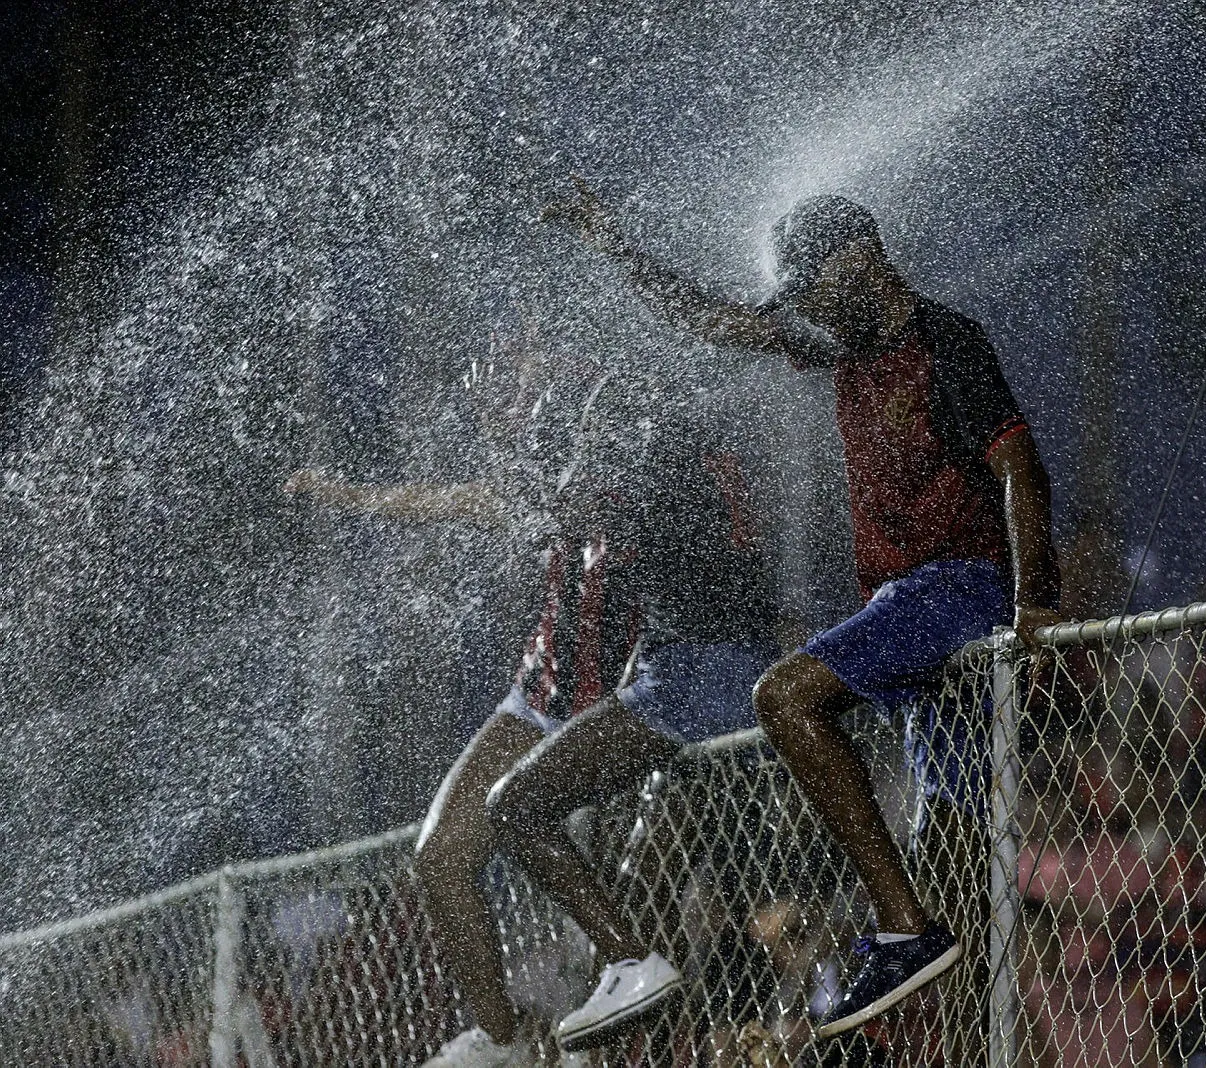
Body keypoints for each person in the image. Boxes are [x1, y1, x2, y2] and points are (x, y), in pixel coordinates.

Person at [544, 178, 1062, 1038]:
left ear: (858, 261)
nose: (808, 313)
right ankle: (963, 1011)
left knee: (784, 696)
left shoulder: (946, 341)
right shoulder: (845, 350)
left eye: (813, 290)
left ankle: (902, 927)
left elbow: (1020, 471)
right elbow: (713, 322)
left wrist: (1036, 607)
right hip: (918, 612)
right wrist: (612, 242)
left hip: (958, 590)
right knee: (952, 863)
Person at [289, 366, 782, 1060]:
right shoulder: (549, 488)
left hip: (626, 701)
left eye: (570, 432)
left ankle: (639, 1028)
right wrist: (350, 495)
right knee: (440, 857)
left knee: (633, 896)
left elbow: (704, 596)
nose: (562, 449)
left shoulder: (651, 490)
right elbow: (457, 501)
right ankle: (503, 1043)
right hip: (541, 695)